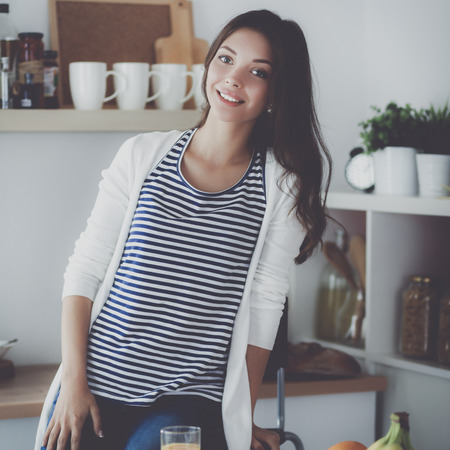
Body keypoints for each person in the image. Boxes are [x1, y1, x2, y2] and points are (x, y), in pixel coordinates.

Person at [35, 9, 332, 450]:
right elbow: (85, 269)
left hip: (188, 399)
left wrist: (238, 416)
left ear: (275, 93)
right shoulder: (142, 155)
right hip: (95, 381)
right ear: (209, 64)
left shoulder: (280, 188)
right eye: (226, 59)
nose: (234, 78)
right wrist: (74, 384)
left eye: (258, 71)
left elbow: (265, 304)